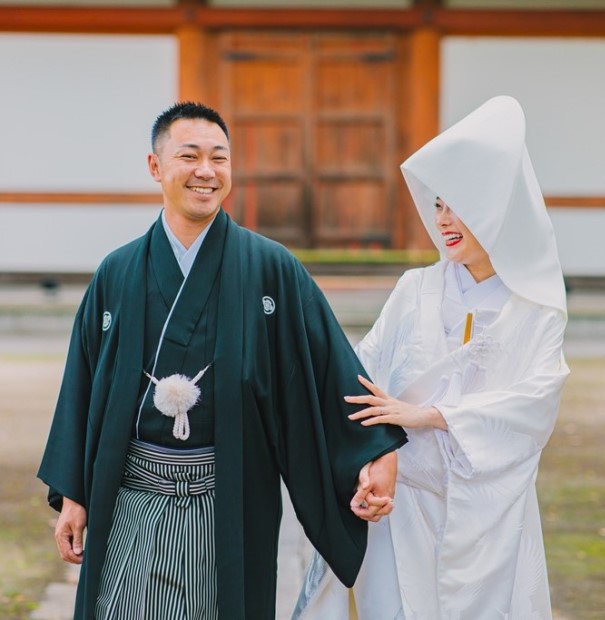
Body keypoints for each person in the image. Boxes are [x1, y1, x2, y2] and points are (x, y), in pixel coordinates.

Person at [38, 101, 406, 619]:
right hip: (131, 498)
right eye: (189, 156)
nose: (206, 171)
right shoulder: (117, 273)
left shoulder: (270, 268)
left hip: (228, 495)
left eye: (219, 158)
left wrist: (375, 450)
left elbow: (326, 367)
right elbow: (82, 388)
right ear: (155, 167)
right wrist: (74, 495)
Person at [294, 96, 570, 619]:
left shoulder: (536, 309)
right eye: (438, 204)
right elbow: (360, 379)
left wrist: (431, 415)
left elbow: (536, 403)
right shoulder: (414, 289)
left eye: (459, 205)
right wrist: (369, 461)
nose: (444, 219)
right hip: (406, 503)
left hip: (492, 510)